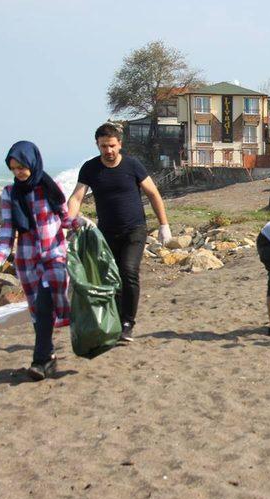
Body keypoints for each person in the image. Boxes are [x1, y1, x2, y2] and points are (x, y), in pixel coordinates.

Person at [67, 123, 171, 342]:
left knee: (128, 271)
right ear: (97, 145)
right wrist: (69, 221)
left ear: (119, 144)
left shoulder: (133, 166)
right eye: (104, 146)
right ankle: (114, 320)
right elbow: (77, 197)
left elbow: (153, 193)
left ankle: (127, 323)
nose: (109, 151)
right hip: (106, 232)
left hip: (135, 229)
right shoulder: (90, 168)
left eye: (112, 146)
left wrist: (164, 224)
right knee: (111, 277)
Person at [0, 142, 72, 380]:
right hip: (27, 260)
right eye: (13, 168)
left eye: (21, 167)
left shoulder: (53, 188)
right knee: (37, 312)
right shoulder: (10, 193)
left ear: (32, 162)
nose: (18, 173)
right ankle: (49, 359)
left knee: (45, 305)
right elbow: (6, 230)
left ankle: (38, 361)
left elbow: (66, 220)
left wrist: (83, 226)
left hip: (54, 255)